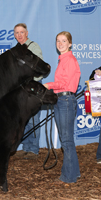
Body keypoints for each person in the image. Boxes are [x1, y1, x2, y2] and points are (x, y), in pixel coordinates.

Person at [44, 31, 81, 183]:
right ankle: (73, 172)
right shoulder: (63, 60)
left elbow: (66, 84)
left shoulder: (70, 60)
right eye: (58, 41)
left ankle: (69, 176)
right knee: (65, 139)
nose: (60, 44)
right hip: (61, 100)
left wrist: (49, 85)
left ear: (70, 43)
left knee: (66, 140)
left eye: (64, 41)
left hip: (65, 99)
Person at [13, 23, 44, 160]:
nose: (19, 35)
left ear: (27, 33)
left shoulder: (34, 47)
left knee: (33, 118)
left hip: (33, 85)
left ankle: (33, 149)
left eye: (21, 32)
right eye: (17, 33)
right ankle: (26, 147)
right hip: (21, 87)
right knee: (23, 118)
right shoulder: (16, 50)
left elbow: (39, 69)